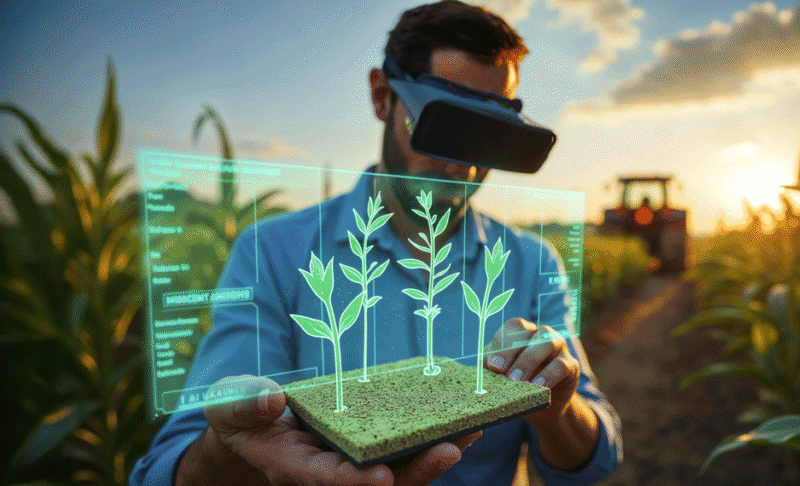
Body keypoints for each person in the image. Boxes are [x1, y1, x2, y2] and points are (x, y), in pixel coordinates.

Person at [130, 1, 622, 485]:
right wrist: (231, 445)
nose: (463, 167)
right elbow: (167, 468)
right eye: (444, 128)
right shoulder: (274, 254)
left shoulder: (532, 262)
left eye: (486, 137)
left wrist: (556, 405)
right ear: (382, 95)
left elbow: (595, 460)